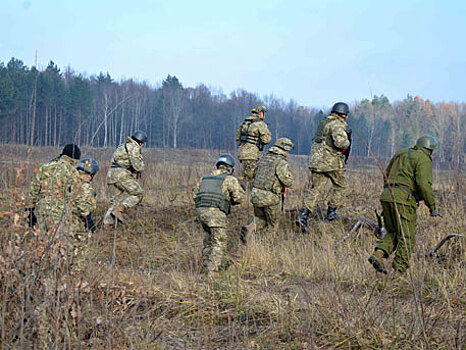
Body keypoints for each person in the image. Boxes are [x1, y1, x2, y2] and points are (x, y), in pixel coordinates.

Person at [368, 135, 441, 274]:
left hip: (387, 196)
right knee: (406, 237)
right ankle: (398, 273)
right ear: (430, 149)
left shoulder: (400, 153)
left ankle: (378, 254)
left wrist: (389, 193)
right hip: (404, 200)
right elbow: (424, 185)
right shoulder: (424, 159)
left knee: (393, 232)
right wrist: (432, 207)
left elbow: (386, 174)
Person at [296, 102, 351, 228]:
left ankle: (303, 216)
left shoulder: (323, 123)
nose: (347, 118)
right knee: (341, 186)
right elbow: (341, 143)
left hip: (317, 162)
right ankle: (331, 212)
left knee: (315, 190)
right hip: (331, 163)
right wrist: (347, 141)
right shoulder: (337, 124)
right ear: (342, 115)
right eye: (346, 115)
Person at [192, 154, 245, 274]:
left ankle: (204, 265)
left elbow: (194, 195)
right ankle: (212, 272)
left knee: (208, 240)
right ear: (230, 168)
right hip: (216, 214)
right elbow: (238, 198)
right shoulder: (229, 179)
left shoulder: (204, 178)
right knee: (219, 242)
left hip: (201, 213)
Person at [241, 138, 294, 241]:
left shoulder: (264, 158)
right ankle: (265, 245)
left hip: (256, 194)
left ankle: (249, 228)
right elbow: (288, 182)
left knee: (261, 219)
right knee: (273, 224)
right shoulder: (281, 162)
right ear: (285, 149)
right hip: (270, 197)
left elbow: (252, 174)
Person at [26, 144, 81, 233]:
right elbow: (77, 196)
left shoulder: (45, 167)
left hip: (42, 211)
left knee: (42, 242)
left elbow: (33, 191)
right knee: (58, 244)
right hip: (60, 216)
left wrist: (30, 211)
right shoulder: (72, 172)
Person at [103, 130, 146, 227]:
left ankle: (106, 227)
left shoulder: (122, 146)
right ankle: (120, 209)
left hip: (111, 175)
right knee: (138, 193)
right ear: (140, 142)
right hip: (122, 175)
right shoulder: (134, 148)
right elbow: (138, 166)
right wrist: (141, 167)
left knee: (114, 202)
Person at [72, 158, 99, 271]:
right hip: (76, 221)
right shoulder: (84, 186)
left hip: (61, 220)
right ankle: (76, 275)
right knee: (81, 249)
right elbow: (82, 205)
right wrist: (89, 221)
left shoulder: (70, 179)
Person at [235, 105, 272, 185]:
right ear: (261, 113)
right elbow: (266, 140)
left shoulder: (245, 122)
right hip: (251, 154)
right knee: (252, 179)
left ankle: (240, 194)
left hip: (242, 153)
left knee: (241, 178)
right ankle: (249, 196)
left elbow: (238, 137)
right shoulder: (260, 124)